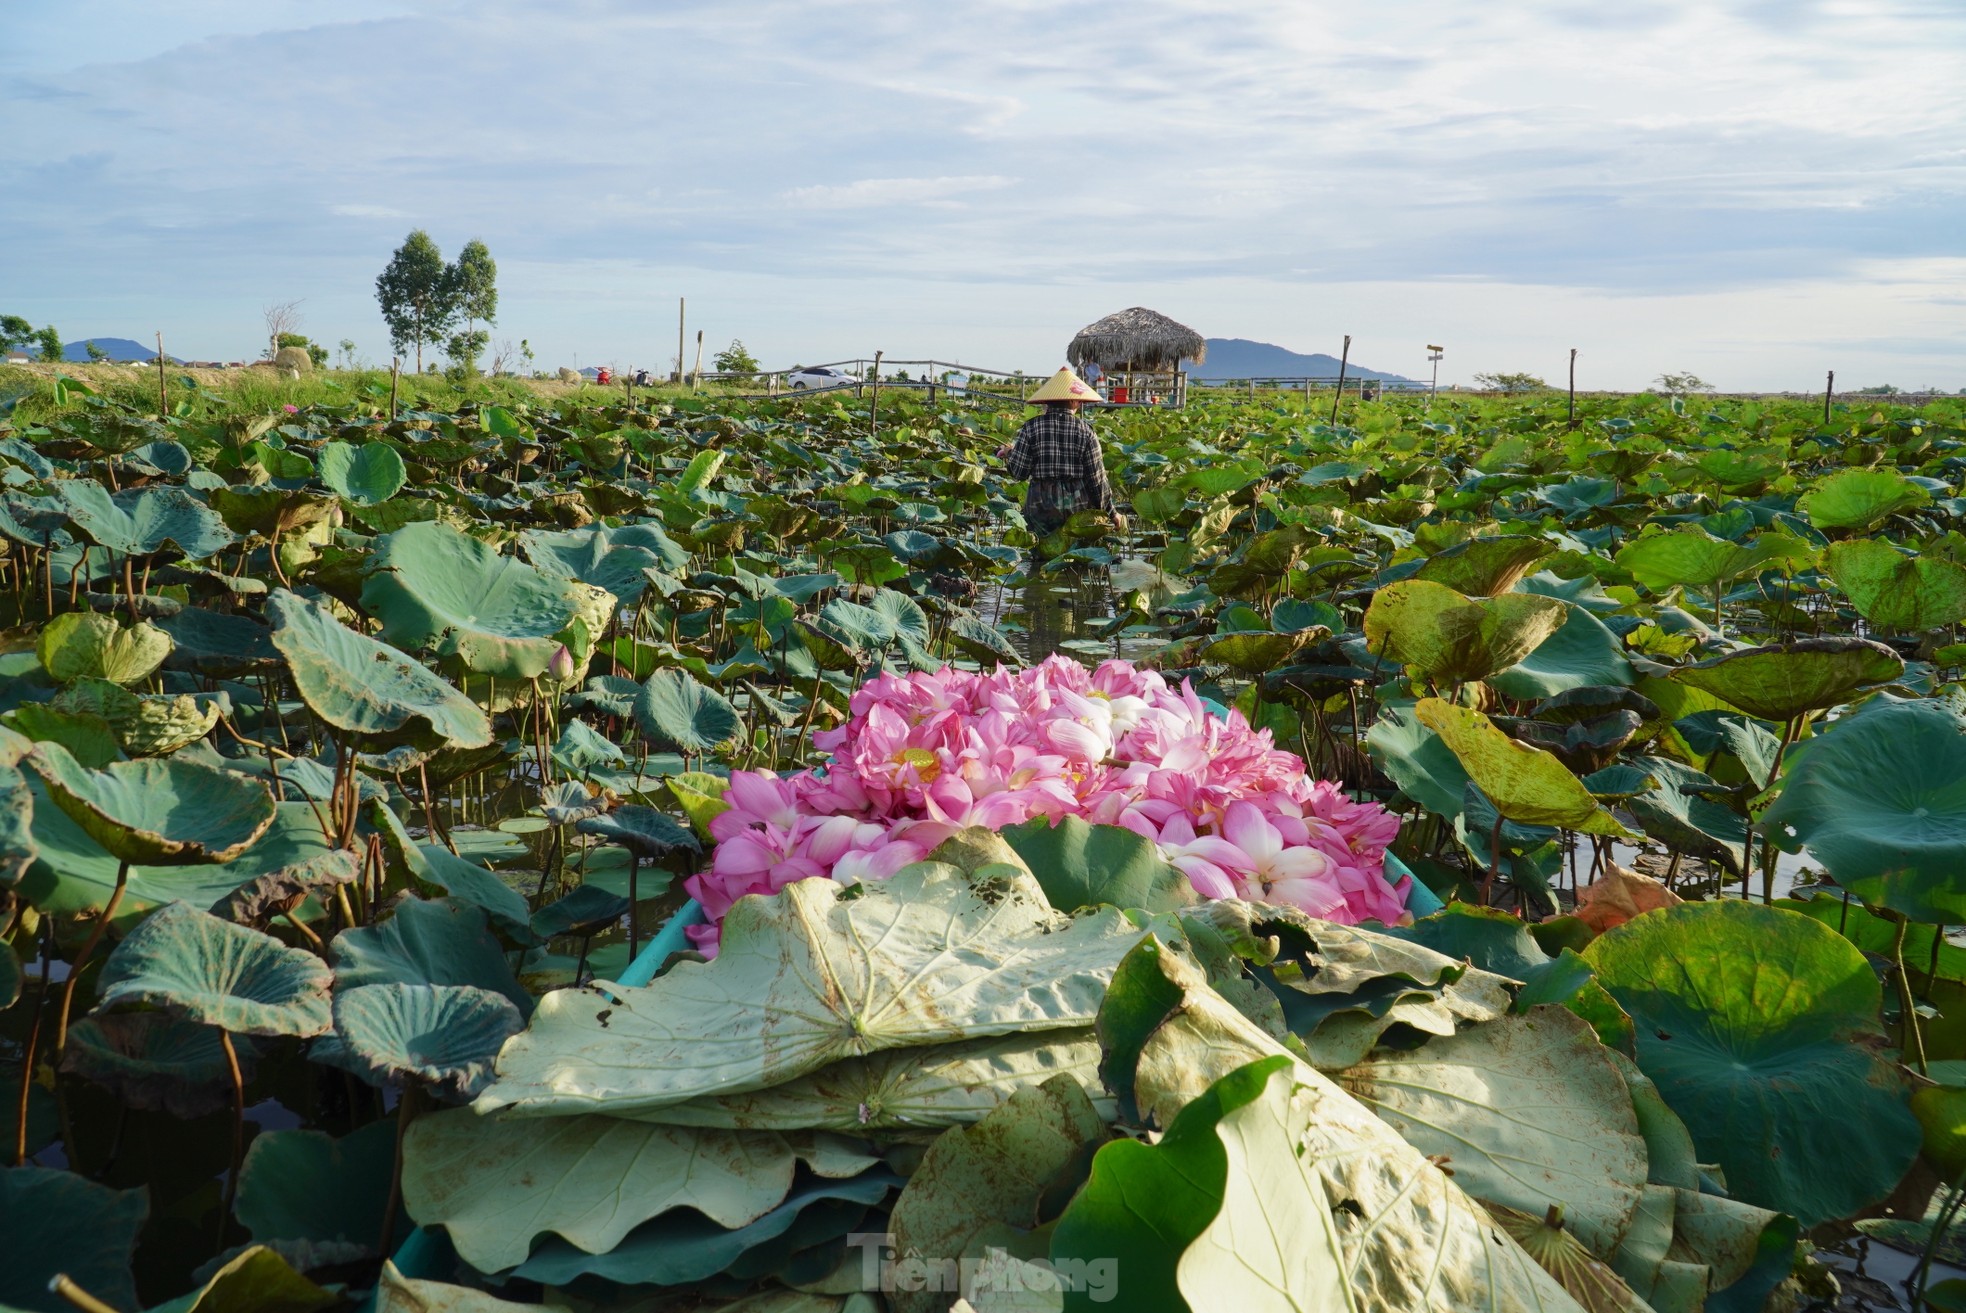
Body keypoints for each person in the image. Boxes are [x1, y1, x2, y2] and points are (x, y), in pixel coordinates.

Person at [994, 366, 1118, 542]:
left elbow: (1019, 473)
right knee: (1075, 554)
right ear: (1075, 401)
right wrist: (1111, 513)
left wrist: (1010, 454)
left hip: (1040, 505)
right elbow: (1097, 480)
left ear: (1046, 401)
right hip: (1077, 504)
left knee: (1043, 553)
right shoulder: (1086, 432)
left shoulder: (1030, 428)